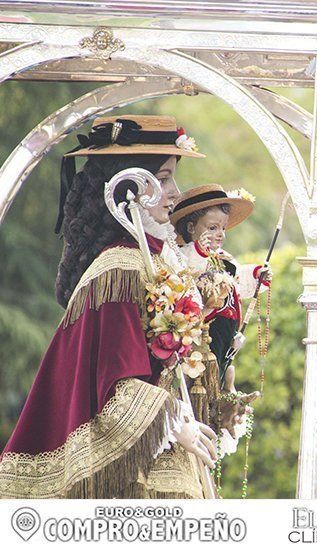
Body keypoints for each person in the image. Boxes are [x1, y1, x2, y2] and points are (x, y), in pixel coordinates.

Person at [0, 115, 219, 499]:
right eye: (164, 178)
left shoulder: (156, 260)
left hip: (166, 455)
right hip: (139, 466)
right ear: (132, 187)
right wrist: (173, 423)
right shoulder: (119, 267)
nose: (174, 192)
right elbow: (115, 379)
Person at [170, 185, 270, 450]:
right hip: (201, 339)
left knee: (224, 374)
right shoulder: (184, 257)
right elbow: (189, 278)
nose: (220, 235)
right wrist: (203, 256)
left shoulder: (223, 261)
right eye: (212, 227)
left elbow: (237, 279)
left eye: (222, 228)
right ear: (191, 228)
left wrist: (257, 274)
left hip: (224, 339)